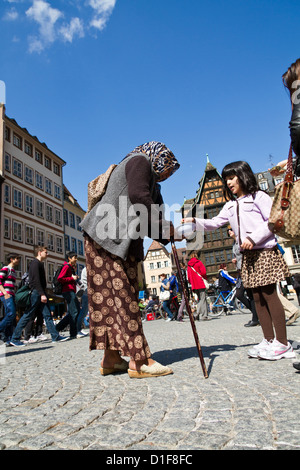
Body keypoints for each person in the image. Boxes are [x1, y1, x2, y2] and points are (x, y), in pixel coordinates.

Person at [80, 141, 180, 378]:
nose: (167, 174)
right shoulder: (140, 161)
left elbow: (151, 216)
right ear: (159, 158)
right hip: (107, 238)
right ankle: (140, 361)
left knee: (109, 300)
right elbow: (138, 197)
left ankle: (112, 358)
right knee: (124, 297)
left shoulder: (152, 181)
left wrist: (169, 232)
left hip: (109, 240)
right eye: (167, 168)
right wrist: (167, 229)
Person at [182, 160, 295, 361]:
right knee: (257, 298)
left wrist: (253, 238)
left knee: (270, 296)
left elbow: (272, 220)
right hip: (248, 256)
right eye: (226, 179)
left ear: (243, 176)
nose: (228, 183)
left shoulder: (258, 196)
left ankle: (283, 344)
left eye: (232, 178)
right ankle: (268, 340)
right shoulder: (231, 205)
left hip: (264, 251)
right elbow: (214, 223)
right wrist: (195, 221)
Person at [10, 246, 68, 347]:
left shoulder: (39, 263)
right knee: (28, 315)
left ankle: (55, 336)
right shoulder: (35, 263)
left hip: (40, 292)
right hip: (37, 293)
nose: (47, 254)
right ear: (40, 252)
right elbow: (35, 281)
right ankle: (15, 338)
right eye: (46, 252)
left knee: (47, 315)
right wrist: (41, 294)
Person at [228, 228, 259, 327]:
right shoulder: (234, 242)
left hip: (246, 269)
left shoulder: (241, 240)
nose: (229, 231)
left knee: (248, 294)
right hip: (240, 270)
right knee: (241, 294)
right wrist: (235, 260)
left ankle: (256, 317)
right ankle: (257, 315)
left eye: (231, 229)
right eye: (228, 230)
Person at [55, 251, 86, 339]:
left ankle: (58, 327)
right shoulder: (66, 266)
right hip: (67, 291)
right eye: (74, 257)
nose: (76, 259)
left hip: (71, 290)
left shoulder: (70, 267)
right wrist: (71, 278)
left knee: (75, 311)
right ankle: (73, 333)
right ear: (69, 258)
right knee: (75, 311)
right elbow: (60, 278)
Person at [0, 253, 20, 343]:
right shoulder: (5, 269)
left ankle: (8, 338)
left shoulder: (13, 271)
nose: (18, 260)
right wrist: (5, 293)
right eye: (17, 258)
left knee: (10, 316)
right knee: (11, 314)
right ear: (11, 259)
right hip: (6, 294)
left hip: (11, 294)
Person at [187, 252, 210, 321]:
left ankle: (197, 315)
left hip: (194, 284)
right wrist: (204, 278)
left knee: (200, 299)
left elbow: (188, 277)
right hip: (200, 283)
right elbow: (203, 272)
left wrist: (192, 283)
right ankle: (204, 316)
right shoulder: (199, 262)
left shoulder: (189, 265)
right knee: (203, 299)